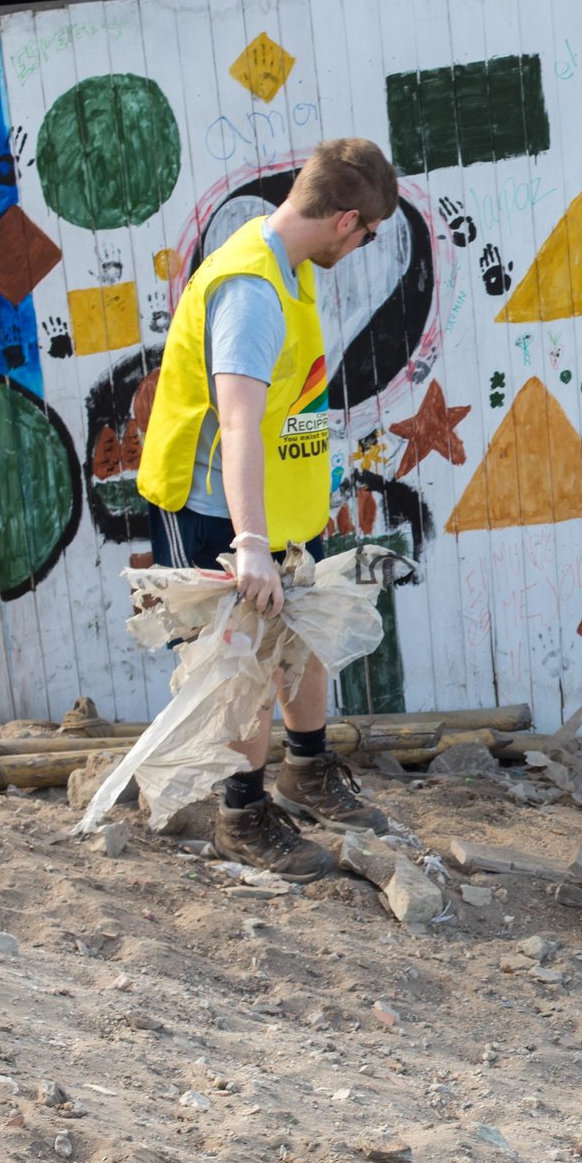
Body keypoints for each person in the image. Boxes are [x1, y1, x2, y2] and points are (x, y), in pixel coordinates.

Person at [135, 138, 401, 880]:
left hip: (270, 509)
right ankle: (242, 814)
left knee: (299, 636)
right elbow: (240, 419)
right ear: (346, 220)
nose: (365, 245)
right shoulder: (252, 290)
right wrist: (249, 542)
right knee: (241, 661)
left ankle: (306, 770)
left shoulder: (287, 265)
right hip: (222, 513)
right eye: (369, 233)